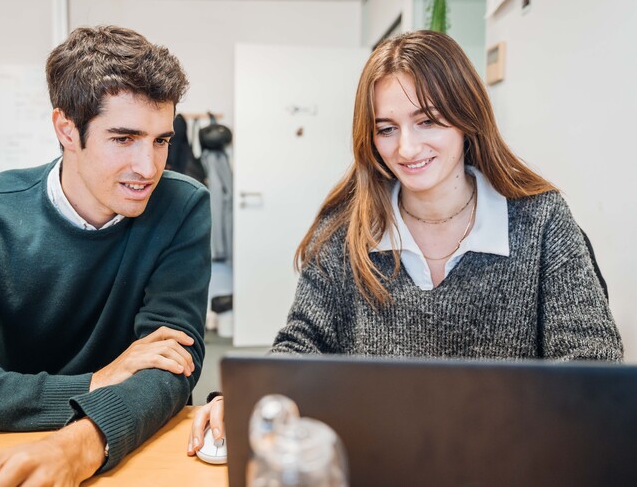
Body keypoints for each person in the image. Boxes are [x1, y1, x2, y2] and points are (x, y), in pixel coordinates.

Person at [187, 30, 622, 455]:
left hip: (506, 462)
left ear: (467, 116)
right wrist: (248, 396)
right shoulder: (345, 230)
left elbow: (591, 363)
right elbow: (304, 344)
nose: (407, 148)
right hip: (378, 460)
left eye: (427, 121)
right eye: (387, 128)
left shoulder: (542, 219)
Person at [0, 25, 211, 485]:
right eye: (124, 138)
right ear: (67, 130)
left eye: (161, 140)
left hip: (132, 441)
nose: (149, 168)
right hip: (6, 438)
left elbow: (174, 366)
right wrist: (92, 384)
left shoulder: (182, 205)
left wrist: (84, 441)